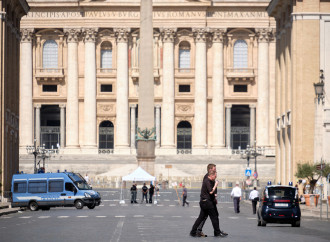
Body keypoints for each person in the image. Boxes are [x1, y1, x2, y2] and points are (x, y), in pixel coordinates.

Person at [190, 170, 227, 238]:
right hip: (207, 202)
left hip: (204, 202)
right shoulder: (207, 181)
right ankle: (217, 232)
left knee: (201, 217)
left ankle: (193, 232)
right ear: (211, 176)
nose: (215, 176)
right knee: (214, 217)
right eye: (214, 175)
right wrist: (215, 185)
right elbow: (210, 191)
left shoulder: (208, 180)